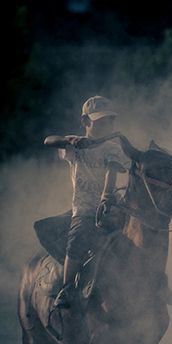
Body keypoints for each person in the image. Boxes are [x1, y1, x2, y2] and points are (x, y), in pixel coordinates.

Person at [44, 96, 134, 309]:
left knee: (140, 235)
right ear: (85, 122)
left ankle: (156, 282)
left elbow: (113, 169)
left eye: (109, 121)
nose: (106, 125)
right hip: (85, 209)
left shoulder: (114, 147)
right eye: (99, 121)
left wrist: (107, 196)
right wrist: (69, 140)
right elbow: (48, 140)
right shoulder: (74, 147)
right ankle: (67, 288)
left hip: (113, 208)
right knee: (77, 239)